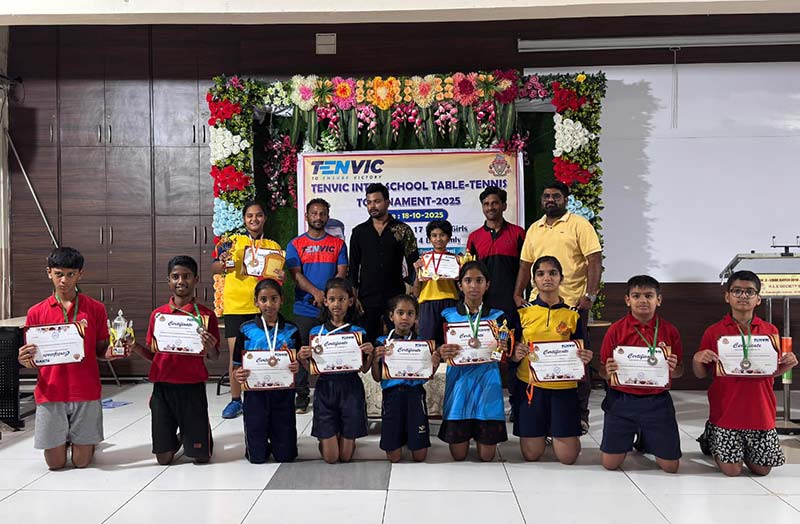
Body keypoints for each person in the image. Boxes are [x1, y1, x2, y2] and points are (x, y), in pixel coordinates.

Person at [18, 247, 123, 470]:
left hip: (85, 390)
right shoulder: (36, 312)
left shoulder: (95, 309)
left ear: (80, 274)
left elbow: (100, 350)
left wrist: (111, 353)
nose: (64, 280)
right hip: (50, 391)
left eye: (70, 274)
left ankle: (83, 441)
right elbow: (32, 357)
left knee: (81, 462)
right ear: (49, 273)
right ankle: (67, 438)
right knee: (55, 464)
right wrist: (24, 359)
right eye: (58, 274)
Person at [513, 181, 602, 432]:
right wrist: (518, 293)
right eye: (546, 196)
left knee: (577, 360)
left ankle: (580, 414)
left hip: (572, 304)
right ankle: (532, 411)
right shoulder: (535, 228)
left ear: (565, 199)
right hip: (538, 305)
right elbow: (525, 264)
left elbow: (594, 260)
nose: (550, 200)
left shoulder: (579, 225)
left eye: (556, 196)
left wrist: (590, 295)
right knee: (532, 358)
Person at [693, 270, 798, 477]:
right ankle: (712, 436)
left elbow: (770, 371)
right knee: (732, 471)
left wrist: (788, 365)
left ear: (758, 299)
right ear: (727, 296)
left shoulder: (770, 331)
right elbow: (700, 374)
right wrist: (697, 359)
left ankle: (736, 445)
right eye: (737, 291)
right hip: (726, 413)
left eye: (749, 292)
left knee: (762, 470)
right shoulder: (714, 331)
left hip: (760, 413)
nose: (743, 296)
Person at [130, 255, 220, 465]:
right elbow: (155, 355)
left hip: (193, 386)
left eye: (186, 276)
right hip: (163, 388)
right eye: (176, 276)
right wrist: (135, 347)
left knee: (200, 458)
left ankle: (200, 433)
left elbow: (214, 357)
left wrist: (209, 347)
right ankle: (182, 436)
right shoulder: (158, 315)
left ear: (196, 279)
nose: (181, 281)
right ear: (168, 280)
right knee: (163, 459)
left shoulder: (206, 316)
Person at [509, 256, 592, 464]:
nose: (547, 278)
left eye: (553, 273)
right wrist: (515, 354)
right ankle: (543, 431)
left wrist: (585, 356)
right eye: (541, 274)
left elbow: (582, 349)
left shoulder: (573, 315)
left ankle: (556, 430)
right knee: (531, 455)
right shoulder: (522, 313)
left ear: (561, 278)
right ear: (534, 281)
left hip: (563, 388)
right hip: (531, 387)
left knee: (568, 458)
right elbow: (510, 352)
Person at [599, 275, 683, 474]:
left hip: (657, 401)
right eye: (636, 296)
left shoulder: (670, 331)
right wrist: (607, 371)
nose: (643, 300)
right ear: (627, 300)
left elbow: (680, 372)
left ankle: (645, 436)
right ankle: (638, 432)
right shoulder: (615, 330)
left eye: (649, 295)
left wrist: (674, 368)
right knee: (610, 464)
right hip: (622, 399)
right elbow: (602, 370)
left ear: (658, 300)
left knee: (671, 467)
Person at [212, 200, 284, 419]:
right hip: (236, 306)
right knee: (236, 355)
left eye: (259, 215)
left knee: (263, 351)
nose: (254, 219)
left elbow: (277, 278)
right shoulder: (231, 242)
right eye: (250, 215)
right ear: (244, 219)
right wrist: (223, 263)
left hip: (264, 307)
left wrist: (280, 276)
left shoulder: (273, 246)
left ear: (265, 218)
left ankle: (264, 393)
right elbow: (215, 267)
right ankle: (236, 400)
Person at [437, 261, 509, 461]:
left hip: (487, 383)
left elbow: (507, 349)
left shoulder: (498, 317)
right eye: (468, 280)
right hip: (459, 383)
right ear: (460, 285)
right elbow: (435, 347)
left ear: (487, 284)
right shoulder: (447, 315)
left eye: (479, 280)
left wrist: (504, 348)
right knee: (458, 455)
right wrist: (441, 350)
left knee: (487, 456)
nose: (473, 286)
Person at [297, 278, 374, 463]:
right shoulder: (316, 332)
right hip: (326, 388)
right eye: (332, 299)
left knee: (345, 457)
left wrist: (370, 354)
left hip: (351, 388)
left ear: (350, 301)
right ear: (325, 301)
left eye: (342, 299)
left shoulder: (358, 332)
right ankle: (328, 437)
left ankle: (342, 436)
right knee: (331, 458)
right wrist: (302, 359)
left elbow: (364, 369)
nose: (336, 304)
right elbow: (314, 371)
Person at [286, 198, 348, 414]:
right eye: (314, 213)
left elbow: (341, 273)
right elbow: (296, 275)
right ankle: (302, 396)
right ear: (307, 216)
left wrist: (329, 297)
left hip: (332, 309)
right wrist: (316, 293)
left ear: (327, 216)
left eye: (322, 213)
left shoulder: (338, 244)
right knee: (303, 351)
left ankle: (333, 393)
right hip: (305, 308)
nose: (318, 217)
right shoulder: (295, 244)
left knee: (333, 349)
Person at [232, 279, 302, 463]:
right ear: (256, 301)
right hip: (255, 396)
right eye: (263, 299)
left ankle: (279, 442)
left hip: (283, 394)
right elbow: (236, 365)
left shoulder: (292, 330)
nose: (269, 304)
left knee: (286, 457)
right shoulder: (246, 329)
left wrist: (297, 365)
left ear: (281, 300)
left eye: (273, 299)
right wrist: (238, 374)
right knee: (257, 458)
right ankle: (260, 444)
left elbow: (299, 361)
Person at [372, 294, 441, 462]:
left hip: (415, 395)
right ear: (391, 316)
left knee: (420, 456)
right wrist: (374, 359)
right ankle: (400, 436)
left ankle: (411, 436)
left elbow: (425, 377)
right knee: (393, 457)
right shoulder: (382, 343)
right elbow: (377, 377)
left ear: (416, 317)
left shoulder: (422, 344)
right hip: (392, 397)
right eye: (400, 313)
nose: (405, 317)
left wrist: (434, 364)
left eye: (410, 313)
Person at [349, 183, 419, 343]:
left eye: (377, 201)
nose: (372, 206)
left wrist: (413, 296)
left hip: (396, 298)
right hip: (367, 299)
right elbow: (353, 267)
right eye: (369, 202)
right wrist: (354, 297)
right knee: (366, 343)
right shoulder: (359, 232)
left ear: (387, 202)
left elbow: (414, 264)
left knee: (399, 343)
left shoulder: (403, 230)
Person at [466, 186, 525, 321]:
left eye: (495, 203)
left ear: (504, 206)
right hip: (483, 302)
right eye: (486, 204)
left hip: (512, 301)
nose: (490, 207)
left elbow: (525, 267)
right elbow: (469, 272)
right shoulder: (474, 237)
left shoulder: (518, 233)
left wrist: (518, 294)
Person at [413, 219, 459, 345]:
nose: (438, 239)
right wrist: (417, 273)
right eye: (434, 235)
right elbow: (416, 293)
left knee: (451, 342)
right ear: (429, 238)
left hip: (451, 303)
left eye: (442, 235)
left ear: (449, 237)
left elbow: (461, 287)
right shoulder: (423, 260)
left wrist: (459, 270)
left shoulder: (455, 260)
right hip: (428, 305)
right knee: (428, 344)